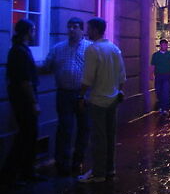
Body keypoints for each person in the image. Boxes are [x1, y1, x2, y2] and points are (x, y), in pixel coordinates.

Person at [78, 17, 126, 184]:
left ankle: (98, 173)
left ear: (95, 30)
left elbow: (88, 78)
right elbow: (122, 75)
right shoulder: (114, 49)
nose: (87, 32)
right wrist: (118, 90)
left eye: (89, 29)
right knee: (110, 135)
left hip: (98, 100)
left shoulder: (93, 50)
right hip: (113, 99)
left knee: (98, 137)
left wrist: (80, 95)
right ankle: (109, 169)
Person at [43, 17, 91, 176]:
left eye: (75, 27)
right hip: (64, 93)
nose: (71, 30)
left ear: (82, 30)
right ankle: (62, 163)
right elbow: (47, 65)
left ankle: (78, 160)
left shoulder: (89, 48)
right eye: (69, 27)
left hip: (82, 94)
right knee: (65, 128)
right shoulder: (58, 48)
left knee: (83, 128)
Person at [0, 19, 45, 184]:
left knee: (28, 135)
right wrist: (34, 102)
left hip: (21, 98)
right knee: (26, 136)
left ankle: (27, 171)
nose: (35, 33)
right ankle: (10, 174)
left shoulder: (19, 49)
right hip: (24, 101)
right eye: (33, 30)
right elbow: (25, 81)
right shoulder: (20, 51)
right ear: (27, 32)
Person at [150, 39, 170, 114]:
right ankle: (161, 106)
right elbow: (152, 65)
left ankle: (165, 108)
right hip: (158, 75)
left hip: (167, 75)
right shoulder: (155, 55)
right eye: (163, 45)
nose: (165, 46)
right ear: (160, 45)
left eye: (166, 45)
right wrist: (151, 74)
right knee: (158, 91)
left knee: (166, 91)